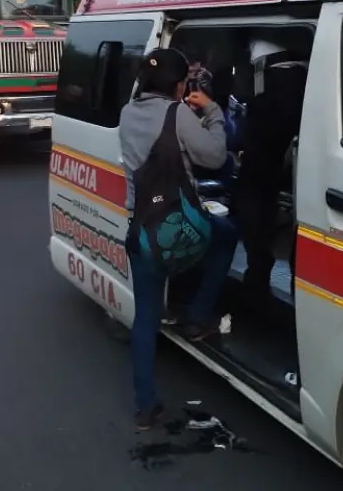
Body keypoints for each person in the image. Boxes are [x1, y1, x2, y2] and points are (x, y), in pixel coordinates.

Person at [119, 47, 237, 430]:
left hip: (141, 230)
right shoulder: (180, 113)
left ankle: (145, 407)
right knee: (225, 236)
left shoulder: (126, 112)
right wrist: (213, 112)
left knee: (145, 319)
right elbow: (215, 157)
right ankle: (198, 316)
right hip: (179, 228)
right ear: (178, 84)